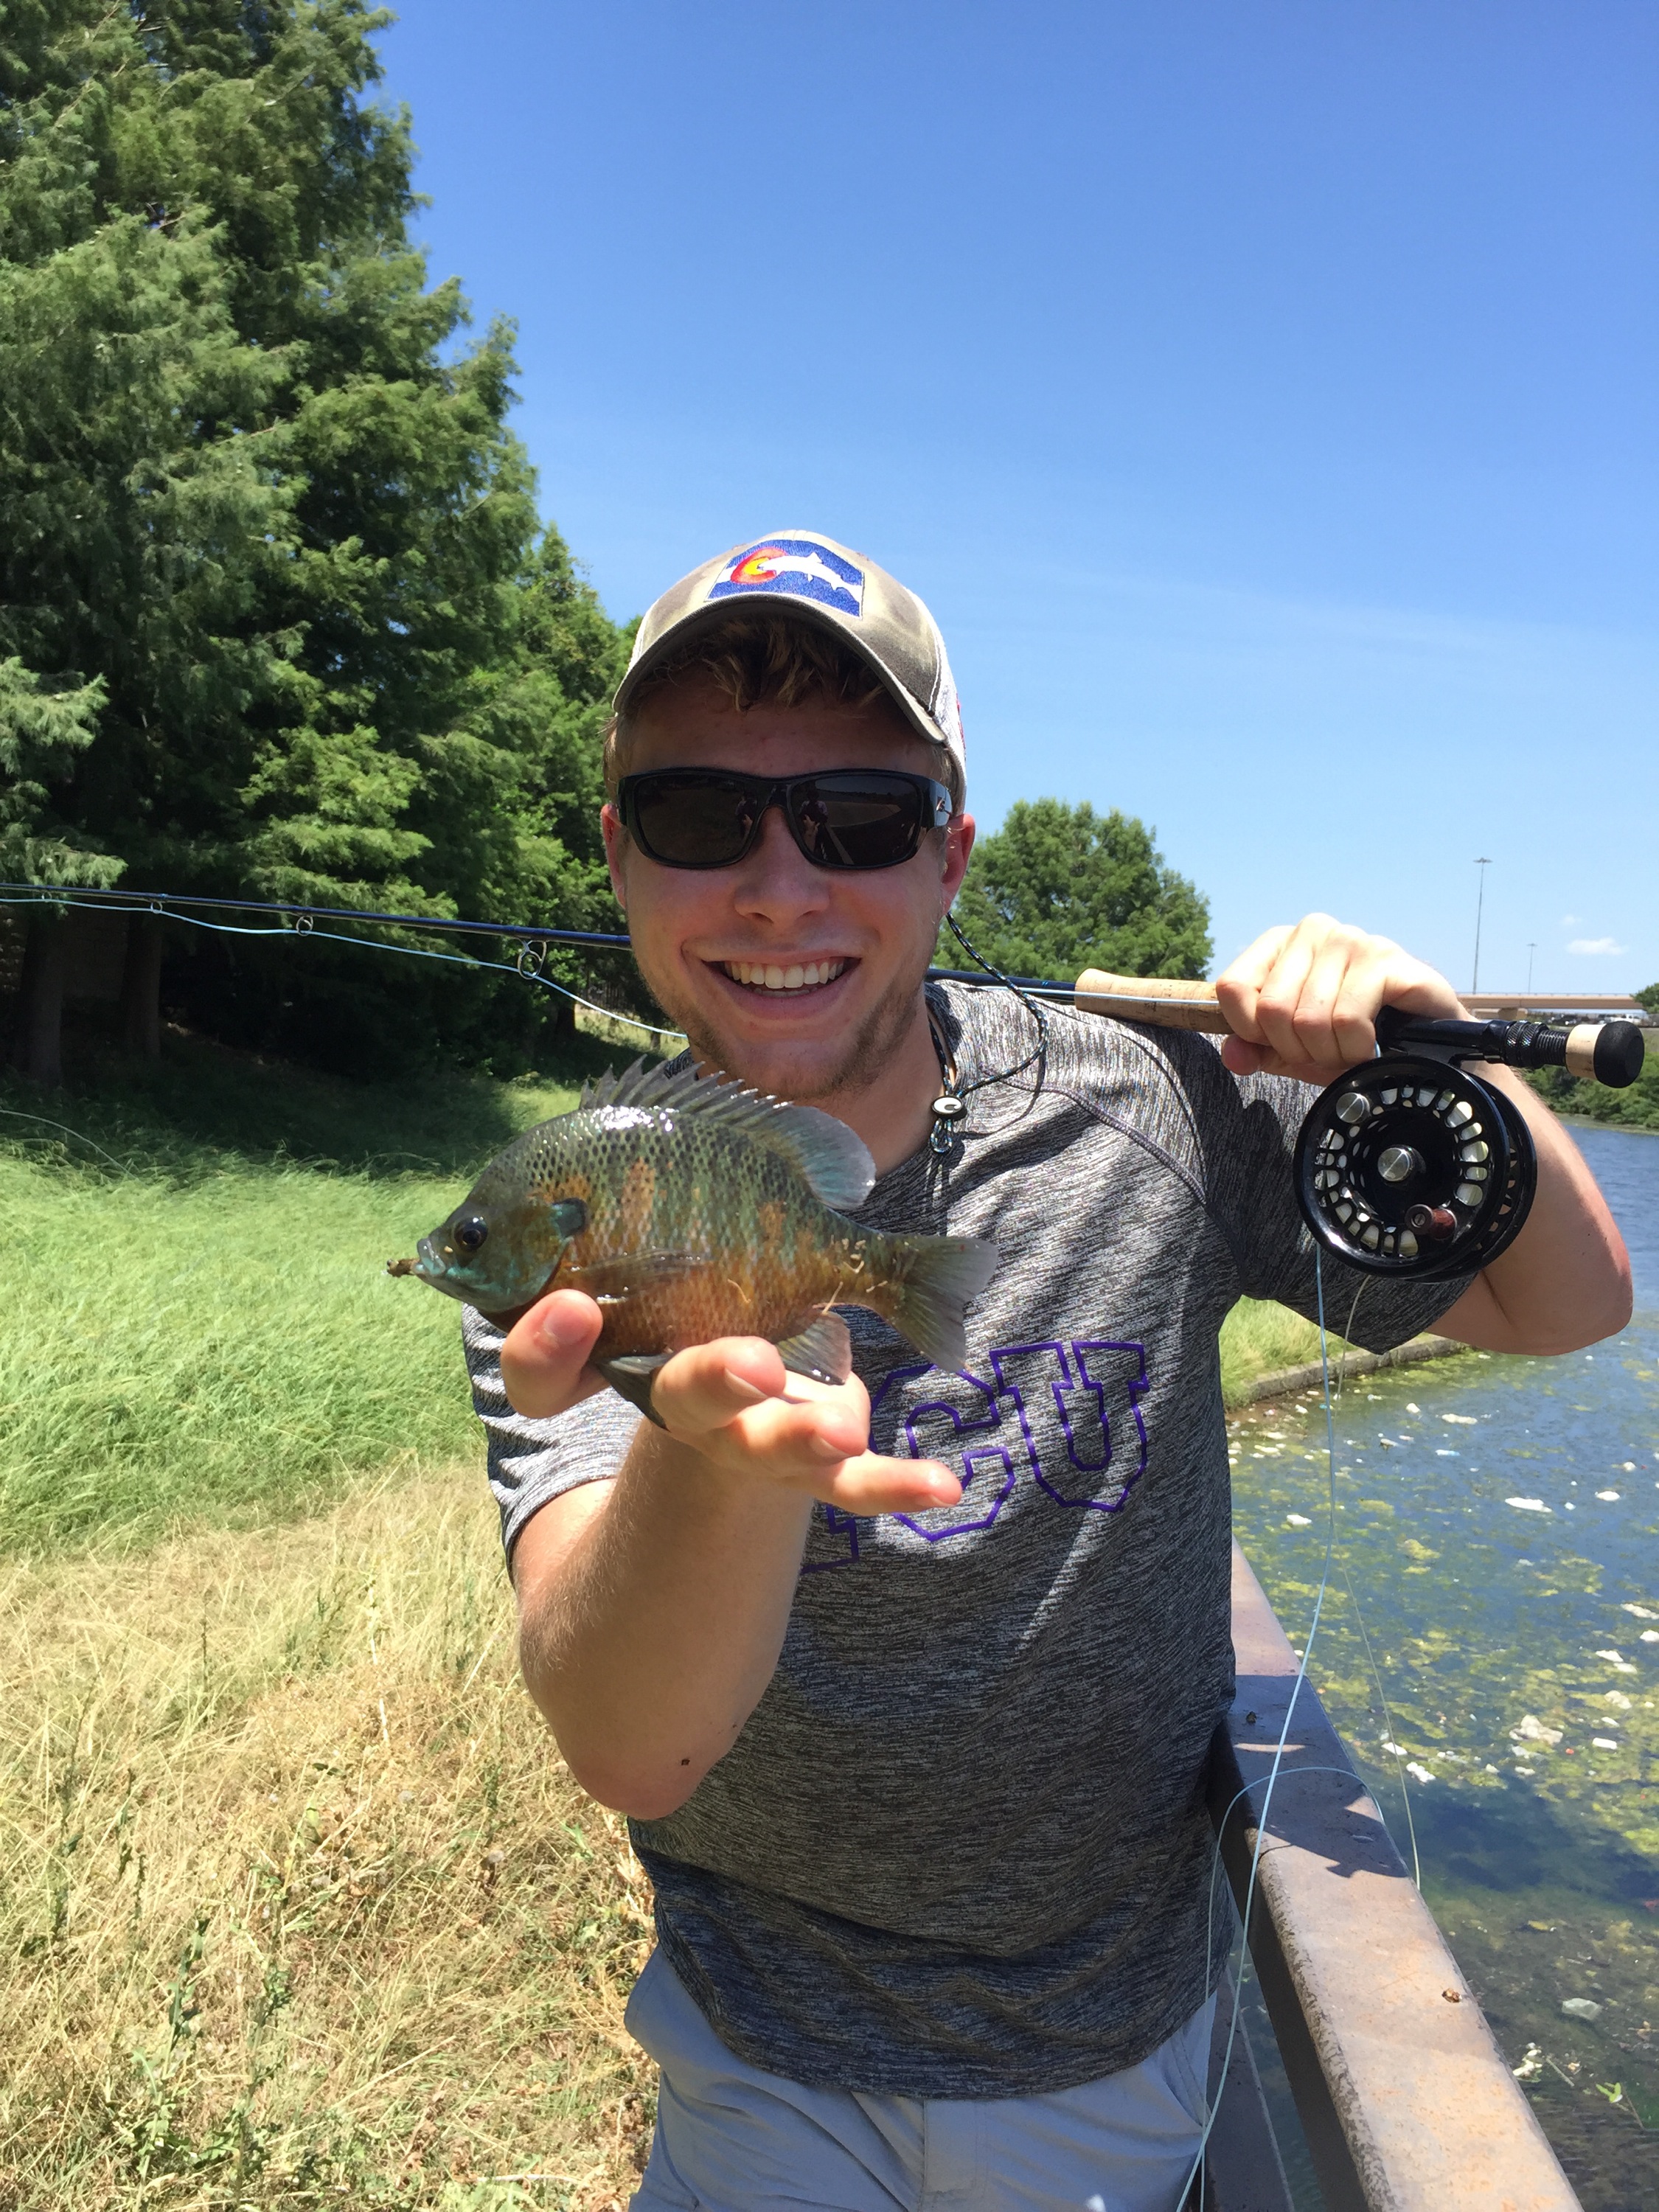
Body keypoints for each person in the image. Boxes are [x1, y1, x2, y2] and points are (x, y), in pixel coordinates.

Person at [463, 531, 1630, 2212]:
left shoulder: (1158, 1106)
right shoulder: (580, 1208)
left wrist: (1441, 1056)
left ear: (950, 854)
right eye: (698, 816)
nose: (779, 888)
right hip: (754, 2046)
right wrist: (712, 1468)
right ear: (618, 855)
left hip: (1106, 2050)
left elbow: (1568, 1304)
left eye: (856, 818)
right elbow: (634, 1754)